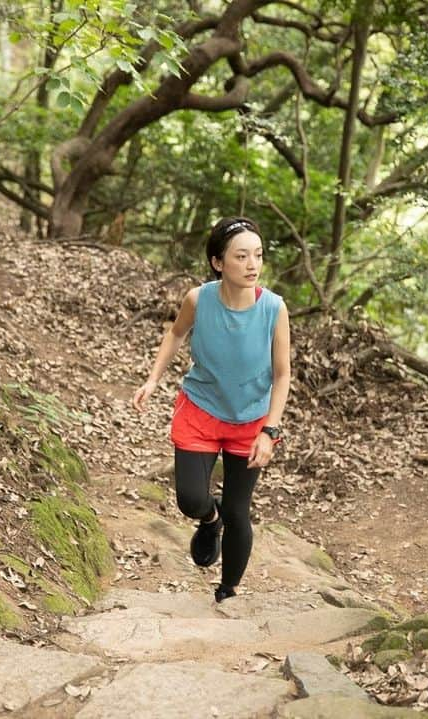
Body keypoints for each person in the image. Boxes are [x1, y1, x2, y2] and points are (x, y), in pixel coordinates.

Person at [132, 216, 291, 603]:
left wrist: (269, 431)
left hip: (250, 422)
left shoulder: (273, 308)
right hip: (200, 409)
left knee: (239, 511)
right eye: (241, 256)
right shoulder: (198, 299)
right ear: (219, 262)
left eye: (258, 255)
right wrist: (153, 379)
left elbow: (283, 375)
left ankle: (228, 592)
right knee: (189, 497)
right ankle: (208, 519)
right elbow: (175, 333)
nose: (252, 265)